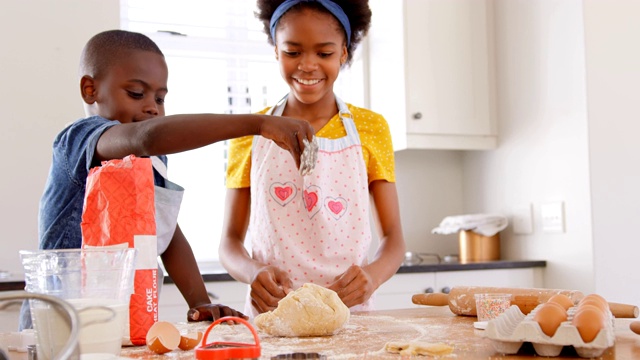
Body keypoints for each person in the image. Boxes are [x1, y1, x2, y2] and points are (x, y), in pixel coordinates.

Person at [22, 29, 314, 328]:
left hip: (117, 324)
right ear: (90, 90)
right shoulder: (79, 140)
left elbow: (167, 232)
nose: (152, 107)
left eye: (160, 98)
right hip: (56, 324)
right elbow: (147, 137)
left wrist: (200, 300)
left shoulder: (151, 161)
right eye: (136, 93)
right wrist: (258, 123)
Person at [219, 0, 406, 317]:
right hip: (274, 314)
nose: (307, 65)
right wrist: (252, 272)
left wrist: (371, 278)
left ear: (344, 53)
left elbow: (394, 239)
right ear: (276, 51)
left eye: (324, 53)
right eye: (293, 52)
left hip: (349, 314)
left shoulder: (371, 128)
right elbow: (229, 242)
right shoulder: (251, 131)